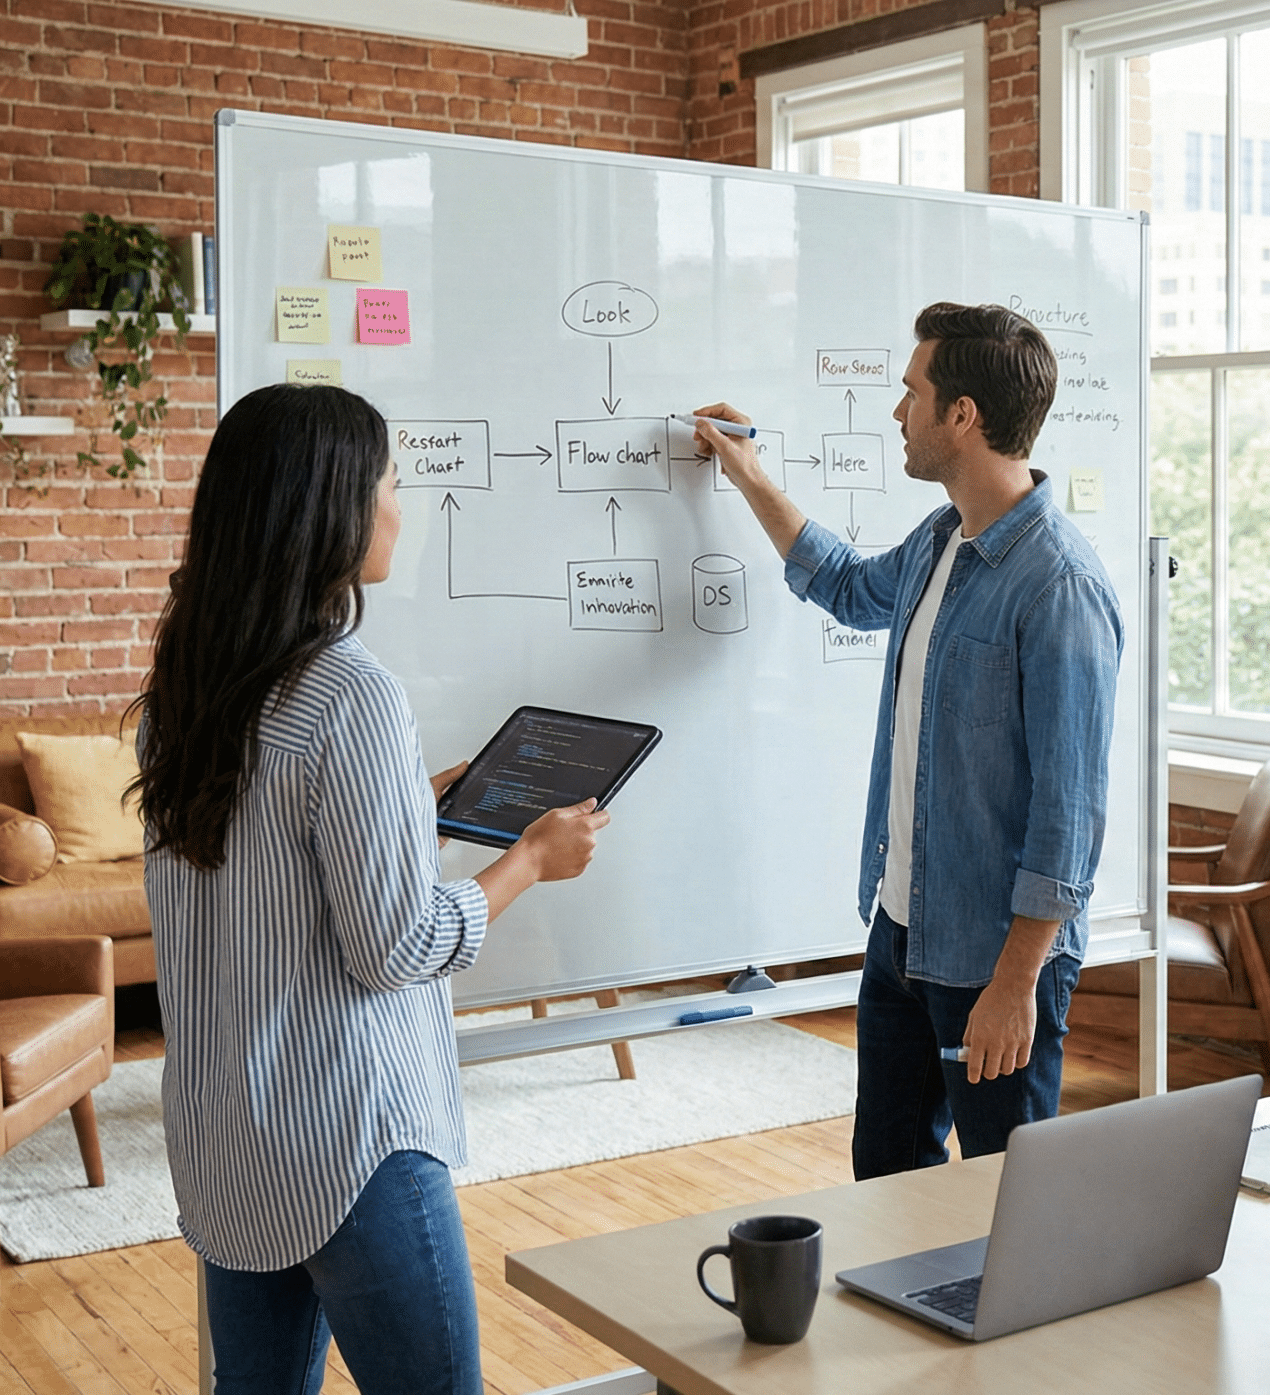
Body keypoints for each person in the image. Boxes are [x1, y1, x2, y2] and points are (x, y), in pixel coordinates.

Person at [130, 383, 609, 1394]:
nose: (403, 502)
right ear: (331, 506)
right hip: (352, 1142)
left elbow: (266, 861)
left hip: (227, 1138)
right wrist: (528, 860)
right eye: (391, 479)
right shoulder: (350, 692)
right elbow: (396, 946)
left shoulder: (184, 687)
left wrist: (405, 815)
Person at [693, 302, 1122, 1180]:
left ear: (961, 416)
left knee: (1010, 1200)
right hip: (900, 934)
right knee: (885, 1189)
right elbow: (846, 586)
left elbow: (1068, 816)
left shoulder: (1060, 585)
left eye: (912, 392)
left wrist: (1014, 986)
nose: (898, 413)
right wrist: (747, 473)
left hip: (994, 960)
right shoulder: (941, 542)